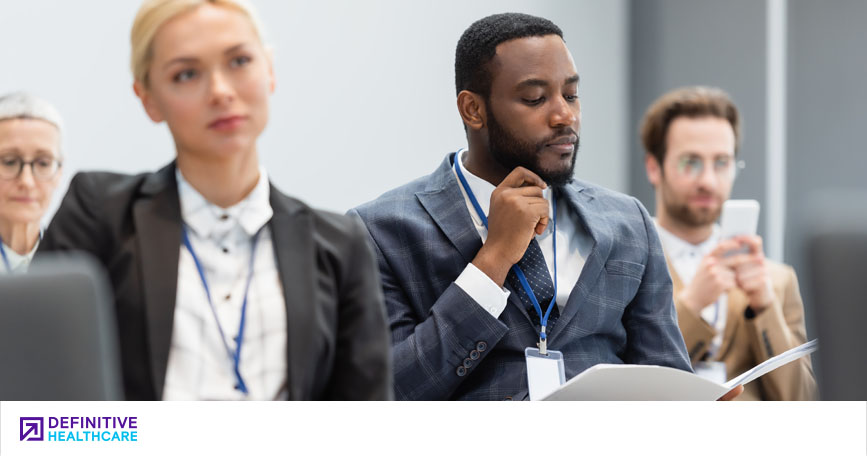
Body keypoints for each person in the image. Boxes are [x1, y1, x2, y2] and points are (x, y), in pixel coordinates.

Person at [38, 0, 391, 400]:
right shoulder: (98, 213)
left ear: (269, 69)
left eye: (239, 61)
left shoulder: (341, 244)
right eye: (187, 74)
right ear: (148, 98)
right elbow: (33, 396)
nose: (221, 91)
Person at [349, 13, 697, 401]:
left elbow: (666, 378)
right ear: (473, 110)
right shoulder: (378, 231)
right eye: (535, 98)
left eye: (571, 94)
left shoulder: (628, 221)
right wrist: (493, 260)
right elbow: (383, 396)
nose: (565, 116)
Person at [641, 86, 817, 400]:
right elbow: (628, 389)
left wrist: (765, 306)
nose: (708, 180)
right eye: (691, 163)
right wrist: (692, 305)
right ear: (654, 167)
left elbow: (802, 399)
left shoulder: (777, 281)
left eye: (721, 162)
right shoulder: (625, 267)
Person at [0, 92, 64, 274]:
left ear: (59, 172)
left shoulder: (80, 262)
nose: (27, 182)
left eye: (43, 163)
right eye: (9, 162)